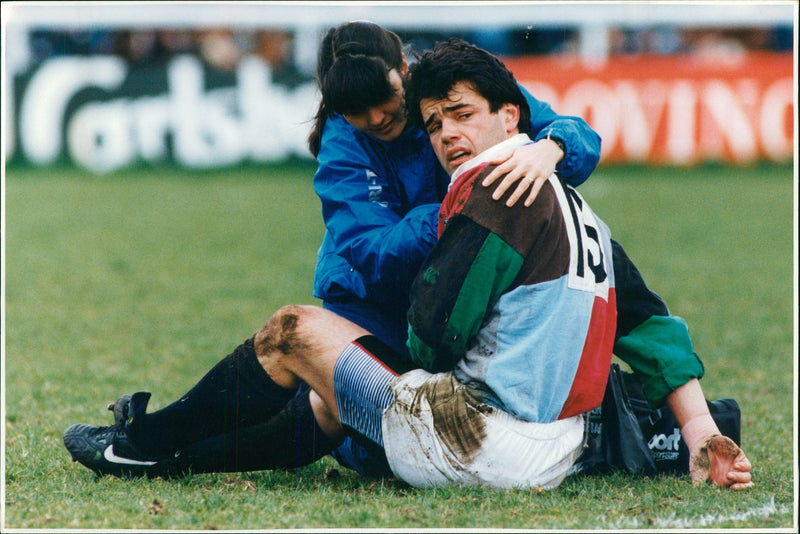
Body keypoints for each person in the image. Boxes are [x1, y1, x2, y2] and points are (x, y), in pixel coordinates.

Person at [63, 21, 602, 479]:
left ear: (405, 68)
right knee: (321, 396)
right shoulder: (344, 148)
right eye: (354, 110)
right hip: (376, 311)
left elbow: (576, 134)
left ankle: (145, 447)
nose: (374, 118)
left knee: (328, 406)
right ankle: (146, 445)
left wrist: (551, 147)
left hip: (451, 312)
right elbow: (374, 254)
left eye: (383, 99)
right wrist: (457, 209)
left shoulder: (450, 97)